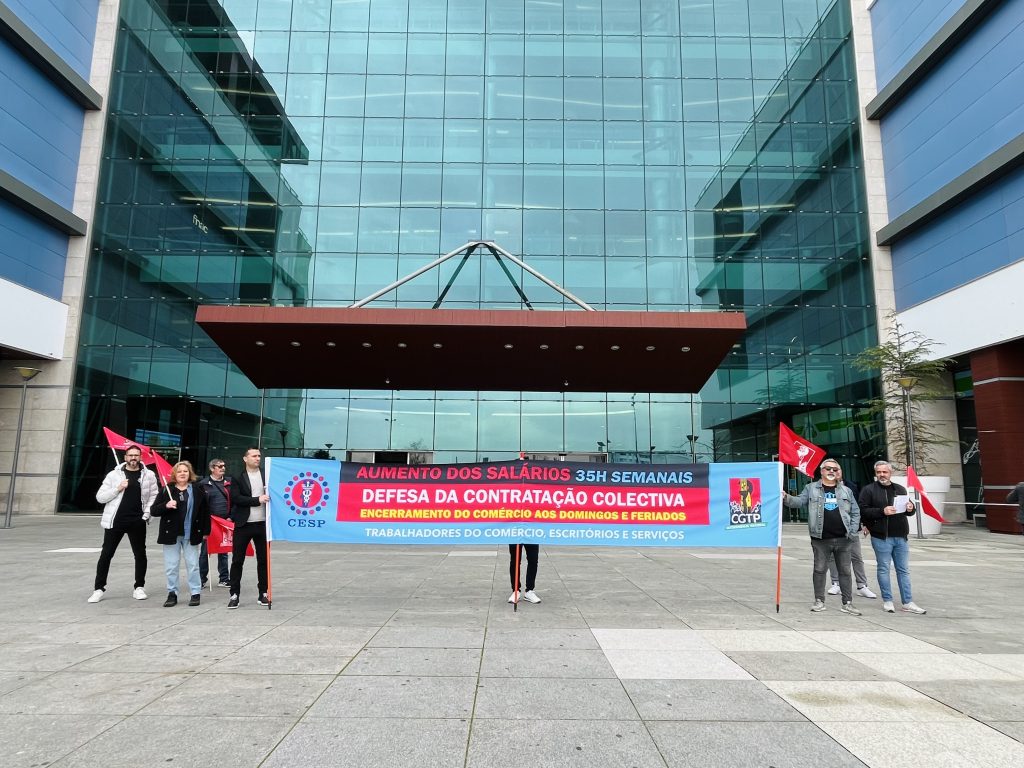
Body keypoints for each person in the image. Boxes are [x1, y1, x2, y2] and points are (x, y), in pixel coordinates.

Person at [783, 458, 862, 615]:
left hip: (844, 539)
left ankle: (847, 603)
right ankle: (819, 601)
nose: (831, 471)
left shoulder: (846, 491)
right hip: (820, 539)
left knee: (845, 571)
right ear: (821, 471)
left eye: (834, 469)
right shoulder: (811, 488)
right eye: (828, 469)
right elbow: (799, 502)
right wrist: (786, 497)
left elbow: (855, 511)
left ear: (837, 472)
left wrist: (852, 532)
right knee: (819, 570)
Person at [89, 445, 159, 603]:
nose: (133, 458)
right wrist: (118, 488)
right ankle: (98, 589)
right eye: (130, 455)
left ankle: (139, 587)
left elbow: (154, 496)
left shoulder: (148, 475)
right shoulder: (114, 475)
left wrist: (146, 514)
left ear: (140, 457)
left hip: (137, 521)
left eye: (136, 455)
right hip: (116, 521)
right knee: (106, 554)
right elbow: (100, 497)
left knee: (140, 554)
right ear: (125, 457)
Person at [859, 460, 925, 614]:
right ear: (875, 473)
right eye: (879, 472)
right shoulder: (868, 490)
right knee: (883, 569)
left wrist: (911, 508)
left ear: (890, 473)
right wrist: (882, 511)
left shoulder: (900, 489)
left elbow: (907, 510)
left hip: (901, 536)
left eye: (885, 472)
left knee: (903, 570)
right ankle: (887, 601)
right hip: (881, 537)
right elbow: (863, 510)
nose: (882, 475)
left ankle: (907, 602)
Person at [151, 461, 211, 607]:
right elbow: (154, 510)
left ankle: (195, 593)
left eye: (185, 471)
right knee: (171, 566)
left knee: (193, 565)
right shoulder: (167, 490)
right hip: (171, 534)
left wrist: (205, 531)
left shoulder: (197, 489)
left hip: (191, 533)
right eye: (179, 472)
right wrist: (166, 505)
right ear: (174, 475)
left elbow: (205, 512)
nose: (183, 473)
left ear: (189, 473)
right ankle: (172, 593)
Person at [228, 446, 270, 609]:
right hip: (243, 524)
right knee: (237, 560)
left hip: (262, 524)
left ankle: (263, 593)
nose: (257, 458)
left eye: (259, 456)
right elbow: (237, 498)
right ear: (245, 459)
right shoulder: (238, 477)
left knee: (263, 560)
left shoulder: (266, 475)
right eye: (253, 456)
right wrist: (257, 499)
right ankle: (234, 594)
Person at [826, 466, 875, 599]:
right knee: (832, 557)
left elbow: (859, 507)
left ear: (841, 472)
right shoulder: (821, 488)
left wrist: (865, 524)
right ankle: (836, 583)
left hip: (850, 529)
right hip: (831, 529)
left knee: (856, 557)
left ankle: (862, 585)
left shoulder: (851, 487)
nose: (834, 472)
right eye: (830, 470)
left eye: (837, 470)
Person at [198, 458, 231, 588]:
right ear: (212, 468)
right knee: (205, 551)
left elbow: (234, 501)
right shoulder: (203, 484)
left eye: (224, 466)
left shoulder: (229, 483)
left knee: (224, 550)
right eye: (219, 466)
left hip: (225, 522)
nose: (223, 468)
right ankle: (201, 578)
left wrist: (231, 517)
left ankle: (224, 578)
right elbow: (200, 505)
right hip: (209, 522)